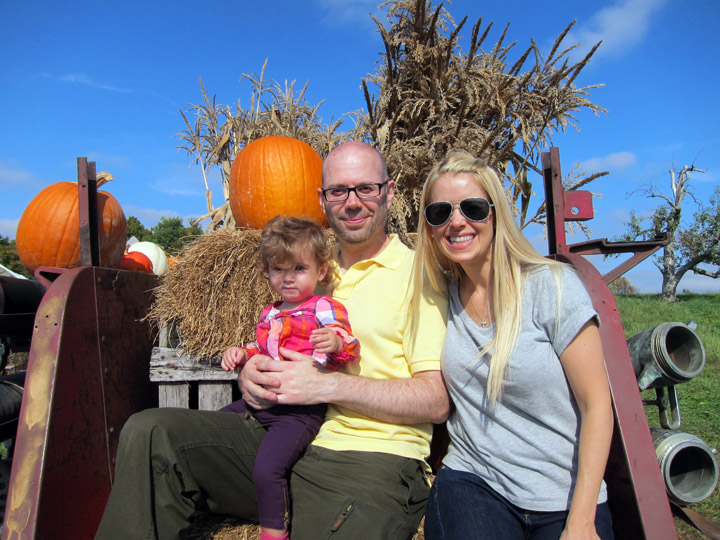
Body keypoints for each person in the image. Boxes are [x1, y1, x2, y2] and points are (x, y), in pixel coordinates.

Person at [94, 141, 449, 540]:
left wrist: (327, 385)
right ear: (322, 199)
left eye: (366, 188)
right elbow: (271, 343)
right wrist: (249, 374)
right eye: (338, 191)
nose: (352, 202)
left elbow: (434, 401)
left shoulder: (419, 275)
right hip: (276, 438)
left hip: (369, 458)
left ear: (390, 191)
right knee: (151, 432)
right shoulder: (307, 268)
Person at [413, 150, 614, 540]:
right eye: (439, 212)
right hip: (475, 482)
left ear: (495, 212)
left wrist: (582, 520)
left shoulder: (551, 287)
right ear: (429, 226)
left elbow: (597, 405)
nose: (456, 223)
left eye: (472, 208)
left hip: (562, 492)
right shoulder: (439, 294)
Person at [219, 216, 361, 540]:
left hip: (297, 414)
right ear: (267, 271)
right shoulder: (270, 313)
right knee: (213, 428)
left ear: (320, 271)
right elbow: (261, 347)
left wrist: (336, 343)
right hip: (260, 405)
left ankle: (274, 533)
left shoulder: (323, 306)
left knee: (268, 470)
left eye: (299, 269)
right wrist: (241, 353)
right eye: (278, 269)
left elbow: (347, 344)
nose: (287, 279)